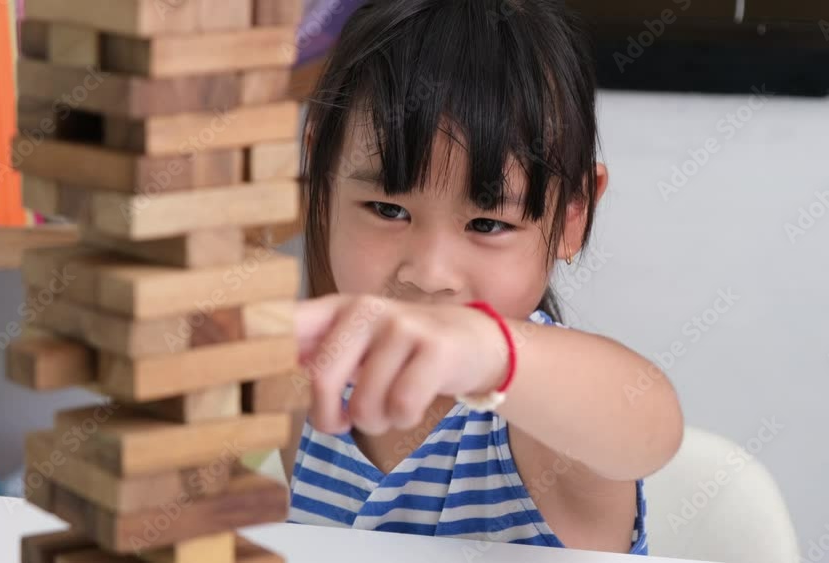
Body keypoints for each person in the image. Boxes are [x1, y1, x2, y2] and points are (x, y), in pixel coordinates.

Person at [283, 0, 684, 555]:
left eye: (488, 223)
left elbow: (650, 426)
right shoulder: (310, 391)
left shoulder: (541, 426)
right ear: (320, 182)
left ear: (573, 215)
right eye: (387, 210)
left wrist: (486, 351)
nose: (429, 274)